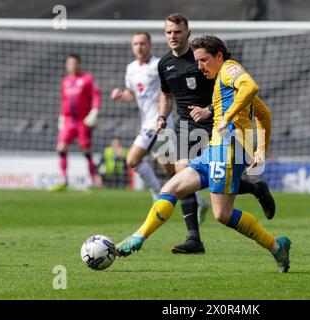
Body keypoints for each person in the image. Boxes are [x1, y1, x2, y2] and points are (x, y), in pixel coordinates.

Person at [115, 35, 291, 273]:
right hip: (214, 149)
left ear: (219, 55)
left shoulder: (230, 69)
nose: (200, 66)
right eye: (197, 61)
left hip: (228, 149)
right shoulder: (224, 81)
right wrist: (260, 150)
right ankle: (138, 237)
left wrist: (228, 119)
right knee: (170, 189)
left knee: (222, 214)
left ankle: (275, 246)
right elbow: (264, 113)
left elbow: (251, 86)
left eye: (204, 60)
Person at [155, 13, 276, 254]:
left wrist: (210, 111)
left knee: (211, 184)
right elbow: (166, 95)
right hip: (185, 125)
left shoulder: (204, 59)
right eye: (168, 32)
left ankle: (255, 189)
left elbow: (229, 92)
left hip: (215, 124)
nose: (172, 36)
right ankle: (193, 237)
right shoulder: (165, 64)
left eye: (177, 32)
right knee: (181, 171)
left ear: (187, 33)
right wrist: (161, 117)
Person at [110, 32, 176, 200]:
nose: (139, 47)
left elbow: (170, 91)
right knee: (170, 170)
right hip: (147, 123)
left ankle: (157, 194)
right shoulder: (131, 68)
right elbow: (132, 94)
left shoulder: (158, 65)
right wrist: (120, 95)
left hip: (159, 123)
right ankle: (199, 201)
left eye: (142, 43)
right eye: (136, 44)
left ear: (150, 45)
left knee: (132, 160)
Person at [50, 54, 101, 191]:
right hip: (68, 121)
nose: (71, 66)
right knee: (61, 148)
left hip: (82, 121)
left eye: (74, 63)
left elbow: (96, 95)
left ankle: (92, 180)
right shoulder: (65, 81)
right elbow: (64, 100)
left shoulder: (88, 79)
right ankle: (63, 179)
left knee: (86, 150)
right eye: (69, 64)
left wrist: (94, 111)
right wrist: (61, 116)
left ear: (79, 64)